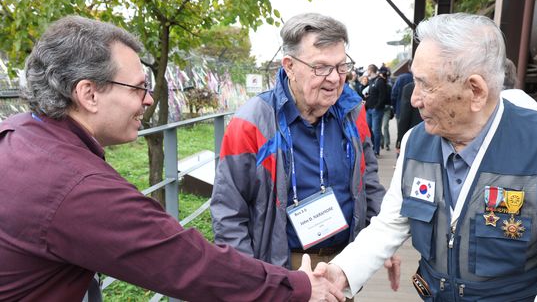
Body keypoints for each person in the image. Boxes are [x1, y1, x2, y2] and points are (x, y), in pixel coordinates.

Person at [0, 15, 344, 302]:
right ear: (88, 93)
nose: (149, 100)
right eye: (138, 88)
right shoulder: (75, 185)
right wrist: (298, 287)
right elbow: (189, 263)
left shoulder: (18, 135)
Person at [318, 13, 537, 301]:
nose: (413, 99)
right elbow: (391, 224)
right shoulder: (415, 142)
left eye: (426, 85)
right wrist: (342, 271)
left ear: (475, 91)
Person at [210, 13, 399, 300]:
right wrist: (251, 283)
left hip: (343, 265)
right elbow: (229, 212)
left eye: (341, 66)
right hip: (280, 270)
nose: (335, 79)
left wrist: (384, 242)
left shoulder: (352, 113)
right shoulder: (251, 123)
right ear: (290, 67)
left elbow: (368, 181)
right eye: (321, 67)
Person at [367, 66, 389, 156]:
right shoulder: (370, 80)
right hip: (369, 109)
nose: (367, 72)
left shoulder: (379, 81)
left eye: (367, 70)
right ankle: (372, 146)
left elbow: (383, 96)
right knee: (368, 128)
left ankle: (376, 150)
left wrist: (377, 106)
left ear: (371, 70)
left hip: (377, 110)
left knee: (376, 130)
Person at [395, 82, 421, 157]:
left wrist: (400, 140)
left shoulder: (410, 88)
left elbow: (405, 117)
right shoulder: (441, 86)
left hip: (414, 134)